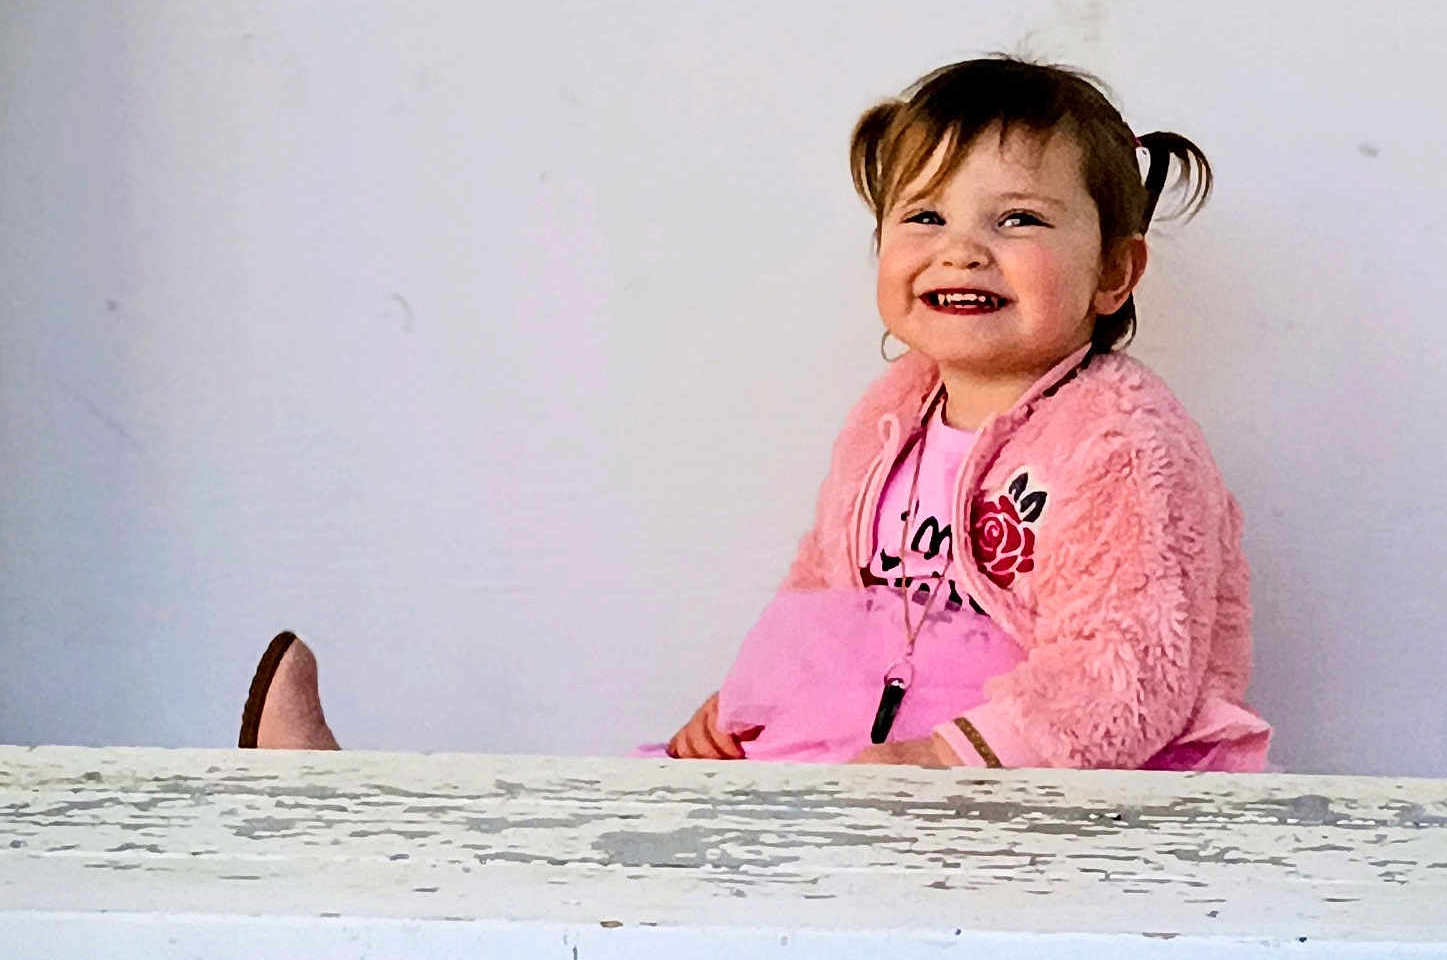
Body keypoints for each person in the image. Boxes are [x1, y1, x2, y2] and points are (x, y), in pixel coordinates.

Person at [243, 55, 1269, 770]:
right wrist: (748, 706)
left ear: (1113, 273)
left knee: (679, 868)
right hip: (863, 756)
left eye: (1018, 219)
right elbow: (823, 587)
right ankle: (354, 807)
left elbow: (1128, 664)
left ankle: (361, 825)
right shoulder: (893, 414)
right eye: (923, 214)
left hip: (1032, 799)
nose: (961, 247)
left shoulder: (1119, 438)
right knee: (638, 808)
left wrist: (949, 762)